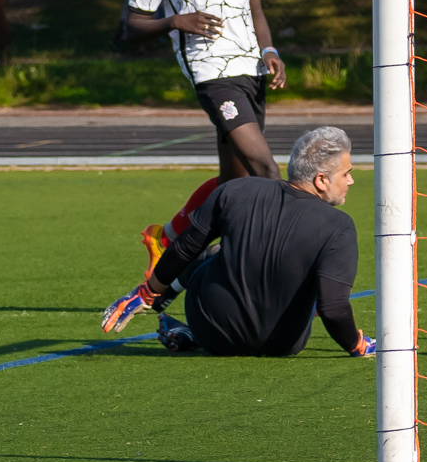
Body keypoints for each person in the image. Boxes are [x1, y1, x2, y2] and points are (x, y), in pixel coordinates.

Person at [125, 0, 288, 279]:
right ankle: (277, 264)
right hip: (213, 76)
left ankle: (167, 239)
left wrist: (269, 50)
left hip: (250, 70)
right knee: (265, 170)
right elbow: (133, 24)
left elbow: (256, 10)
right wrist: (174, 21)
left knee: (233, 183)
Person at [100, 127, 377, 360]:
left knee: (214, 252)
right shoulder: (339, 226)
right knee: (310, 280)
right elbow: (333, 308)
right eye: (346, 173)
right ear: (321, 180)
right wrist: (356, 345)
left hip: (213, 333)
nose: (351, 180)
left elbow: (185, 247)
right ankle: (186, 327)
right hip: (283, 345)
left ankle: (174, 311)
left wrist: (146, 292)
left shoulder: (235, 190)